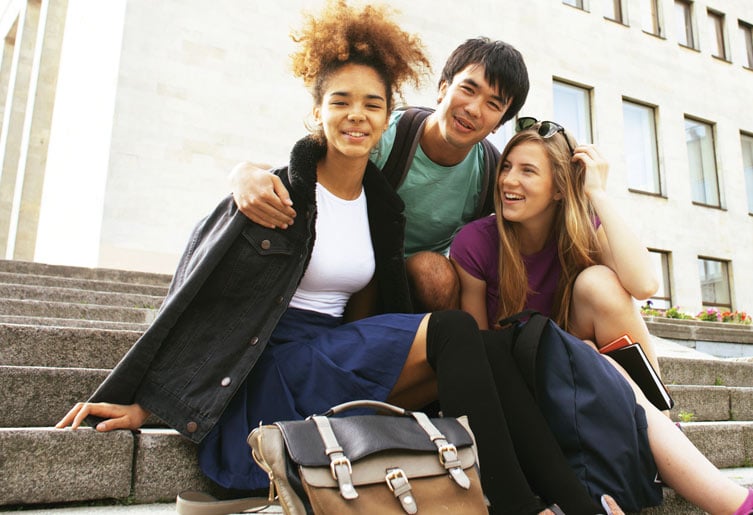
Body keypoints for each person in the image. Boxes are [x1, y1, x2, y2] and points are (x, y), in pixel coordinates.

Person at [54, 3, 622, 514]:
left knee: (487, 344)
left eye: (372, 104)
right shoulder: (281, 195)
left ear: (387, 114)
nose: (358, 116)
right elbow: (200, 300)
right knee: (454, 333)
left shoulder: (380, 201)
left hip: (337, 349)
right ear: (319, 110)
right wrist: (146, 405)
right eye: (342, 102)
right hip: (278, 363)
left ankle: (574, 505)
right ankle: (517, 507)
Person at [449, 118, 753, 515]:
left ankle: (652, 429)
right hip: (521, 390)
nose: (508, 180)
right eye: (507, 167)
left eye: (527, 171)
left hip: (589, 381)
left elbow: (643, 284)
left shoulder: (578, 230)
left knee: (599, 283)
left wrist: (597, 194)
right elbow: (479, 345)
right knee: (600, 358)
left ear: (559, 188)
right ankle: (731, 500)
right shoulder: (476, 242)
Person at [228, 36, 530, 312]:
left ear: (499, 123)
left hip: (422, 290)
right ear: (442, 89)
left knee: (432, 271)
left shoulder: (492, 171)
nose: (474, 109)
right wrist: (244, 172)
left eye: (493, 104)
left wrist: (578, 183)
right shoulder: (387, 135)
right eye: (468, 89)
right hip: (357, 267)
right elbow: (306, 166)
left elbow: (538, 212)